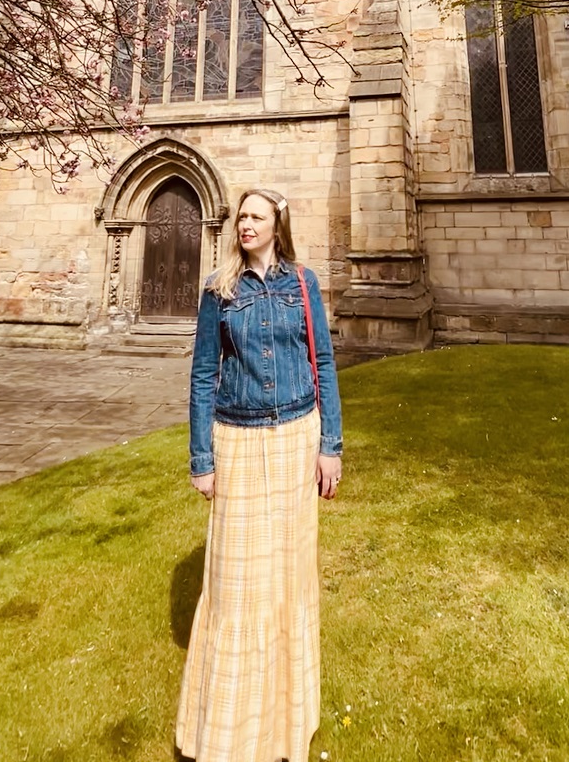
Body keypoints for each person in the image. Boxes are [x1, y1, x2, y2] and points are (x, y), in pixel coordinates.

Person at [176, 187, 343, 762]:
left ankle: (284, 729)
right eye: (240, 217)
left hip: (297, 437)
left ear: (278, 225)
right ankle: (226, 737)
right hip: (238, 442)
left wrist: (331, 446)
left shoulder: (304, 283)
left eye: (256, 217)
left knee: (288, 581)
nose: (245, 224)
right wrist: (202, 460)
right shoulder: (218, 290)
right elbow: (201, 376)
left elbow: (325, 364)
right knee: (236, 587)